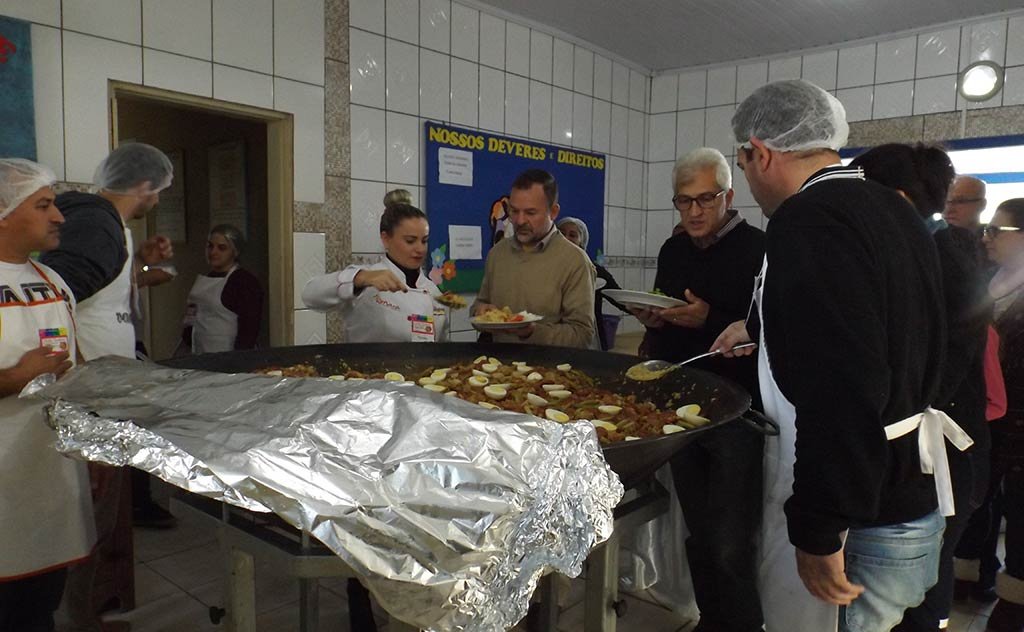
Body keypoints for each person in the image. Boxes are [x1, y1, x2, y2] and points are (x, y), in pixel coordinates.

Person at [713, 79, 958, 632]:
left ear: (762, 152)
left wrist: (817, 529)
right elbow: (890, 333)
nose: (749, 180)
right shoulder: (889, 208)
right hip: (906, 494)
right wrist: (762, 327)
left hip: (858, 517)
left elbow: (842, 386)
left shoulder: (810, 219)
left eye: (743, 163)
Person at [851, 143, 991, 632]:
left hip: (945, 449)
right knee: (923, 575)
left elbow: (937, 368)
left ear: (900, 199)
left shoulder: (940, 258)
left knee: (923, 584)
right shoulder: (919, 249)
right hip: (922, 449)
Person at [40, 142, 175, 630]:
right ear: (143, 186)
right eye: (157, 192)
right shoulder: (97, 223)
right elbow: (56, 298)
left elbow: (97, 294)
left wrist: (136, 263)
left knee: (100, 511)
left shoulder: (106, 228)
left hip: (104, 387)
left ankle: (87, 612)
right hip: (89, 392)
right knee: (87, 515)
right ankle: (77, 618)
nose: (156, 201)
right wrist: (67, 372)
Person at [633, 147, 766, 631]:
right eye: (683, 201)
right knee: (697, 533)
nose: (693, 212)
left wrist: (709, 317)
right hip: (679, 410)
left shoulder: (758, 249)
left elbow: (772, 329)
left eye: (705, 200)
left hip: (735, 412)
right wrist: (653, 319)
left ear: (728, 196)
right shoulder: (673, 251)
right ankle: (712, 621)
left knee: (730, 541)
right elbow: (667, 317)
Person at [0, 159, 95, 632]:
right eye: (43, 204)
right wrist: (12, 380)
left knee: (38, 611)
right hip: (1, 486)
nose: (59, 216)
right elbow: (26, 375)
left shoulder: (52, 283)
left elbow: (67, 368)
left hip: (49, 479)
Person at [956, 199, 1024, 632]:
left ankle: (1014, 601)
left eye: (998, 231)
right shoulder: (988, 281)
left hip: (1020, 429)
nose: (987, 238)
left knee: (1019, 516)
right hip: (986, 422)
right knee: (978, 504)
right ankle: (971, 578)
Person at [472, 169, 595, 348]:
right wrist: (480, 312)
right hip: (499, 367)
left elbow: (582, 335)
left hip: (551, 372)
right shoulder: (497, 254)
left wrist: (532, 332)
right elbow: (480, 305)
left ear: (553, 212)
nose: (520, 221)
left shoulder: (575, 261)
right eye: (514, 211)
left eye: (530, 213)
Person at [303, 195, 449, 343]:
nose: (420, 249)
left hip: (426, 366)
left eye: (424, 241)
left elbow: (440, 349)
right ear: (386, 239)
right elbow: (310, 295)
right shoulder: (366, 280)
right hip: (367, 365)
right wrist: (360, 278)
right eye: (410, 241)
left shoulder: (433, 291)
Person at [180, 224, 264, 353]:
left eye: (222, 248)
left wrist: (237, 360)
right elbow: (192, 315)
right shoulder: (206, 278)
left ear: (235, 251)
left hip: (228, 355)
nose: (213, 252)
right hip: (199, 352)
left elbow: (249, 330)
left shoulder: (245, 282)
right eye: (210, 246)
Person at [555, 216, 625, 351]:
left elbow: (618, 298)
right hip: (555, 339)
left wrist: (643, 308)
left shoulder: (595, 270)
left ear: (582, 242)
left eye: (573, 235)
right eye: (561, 233)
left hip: (589, 339)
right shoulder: (547, 269)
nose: (566, 238)